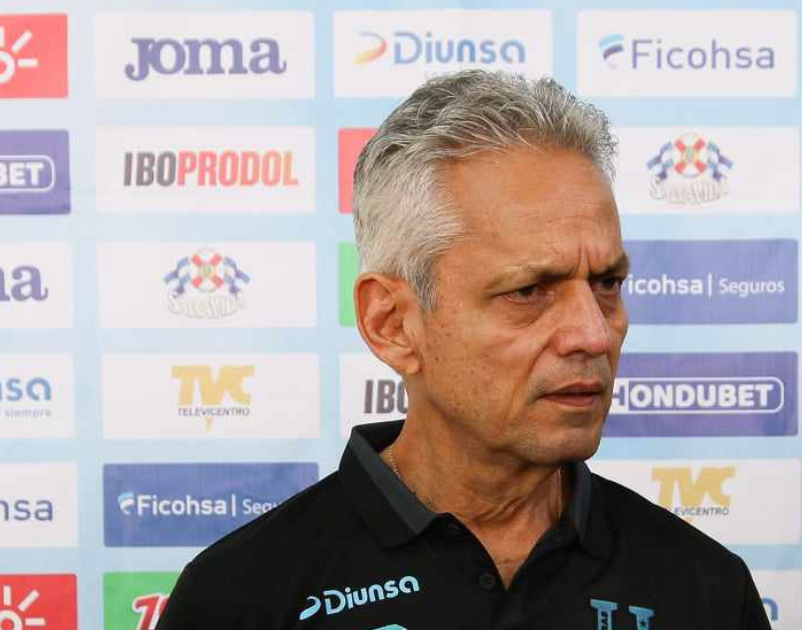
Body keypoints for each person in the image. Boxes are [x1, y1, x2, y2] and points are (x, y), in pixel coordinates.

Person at [156, 70, 771, 629]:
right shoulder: (238, 599)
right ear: (393, 324)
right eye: (529, 291)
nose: (593, 334)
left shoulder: (707, 590)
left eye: (606, 284)